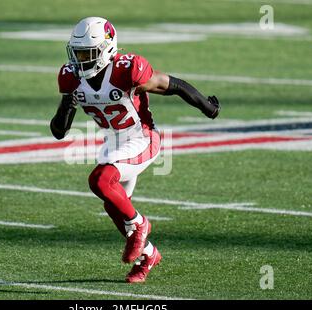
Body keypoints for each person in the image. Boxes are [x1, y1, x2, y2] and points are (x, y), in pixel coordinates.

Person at [51, 17, 220, 283]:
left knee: (100, 180)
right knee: (113, 205)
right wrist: (67, 105)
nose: (80, 61)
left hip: (142, 138)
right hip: (113, 143)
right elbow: (59, 131)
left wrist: (207, 107)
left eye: (87, 54)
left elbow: (172, 84)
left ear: (106, 49)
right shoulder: (71, 78)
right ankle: (148, 255)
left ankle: (140, 224)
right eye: (77, 53)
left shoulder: (126, 71)